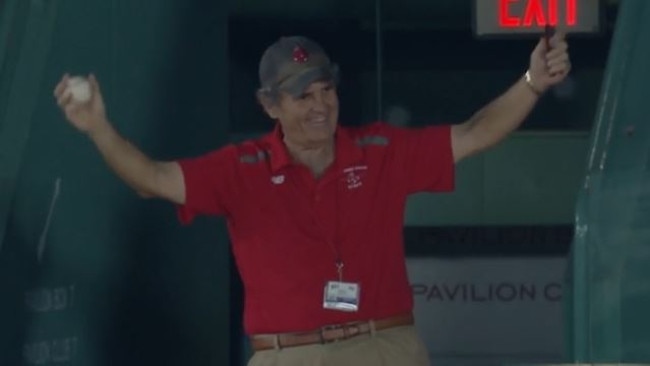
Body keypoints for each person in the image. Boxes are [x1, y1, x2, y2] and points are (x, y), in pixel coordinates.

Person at [54, 32, 570, 366]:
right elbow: (150, 178)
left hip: (383, 348)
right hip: (288, 355)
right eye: (303, 97)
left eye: (327, 90)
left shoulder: (380, 149)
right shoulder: (240, 169)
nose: (321, 106)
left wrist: (532, 82)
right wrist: (99, 128)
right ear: (269, 105)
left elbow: (476, 133)